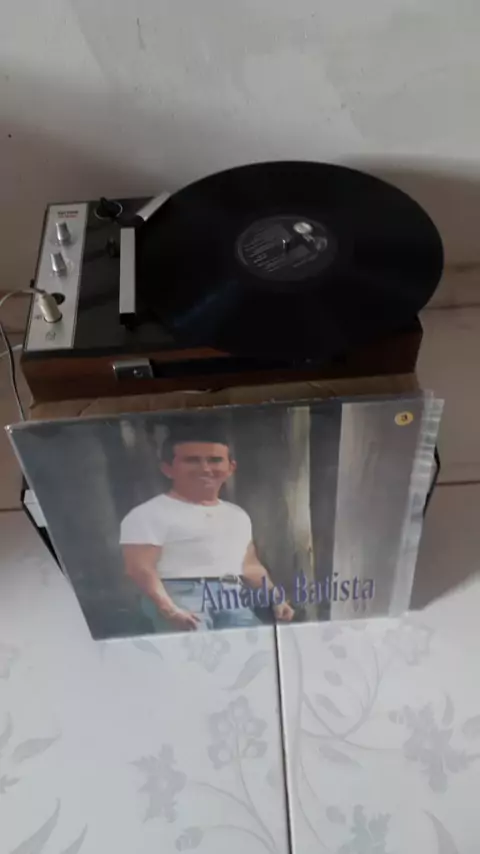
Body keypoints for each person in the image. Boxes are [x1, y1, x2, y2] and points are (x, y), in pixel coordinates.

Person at [120, 424, 295, 632]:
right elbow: (140, 568)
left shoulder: (237, 515)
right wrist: (169, 610)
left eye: (215, 460)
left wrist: (276, 598)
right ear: (167, 469)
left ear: (230, 468)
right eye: (192, 460)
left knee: (250, 648)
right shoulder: (149, 513)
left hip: (232, 597)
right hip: (180, 596)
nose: (205, 469)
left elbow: (249, 567)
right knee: (195, 651)